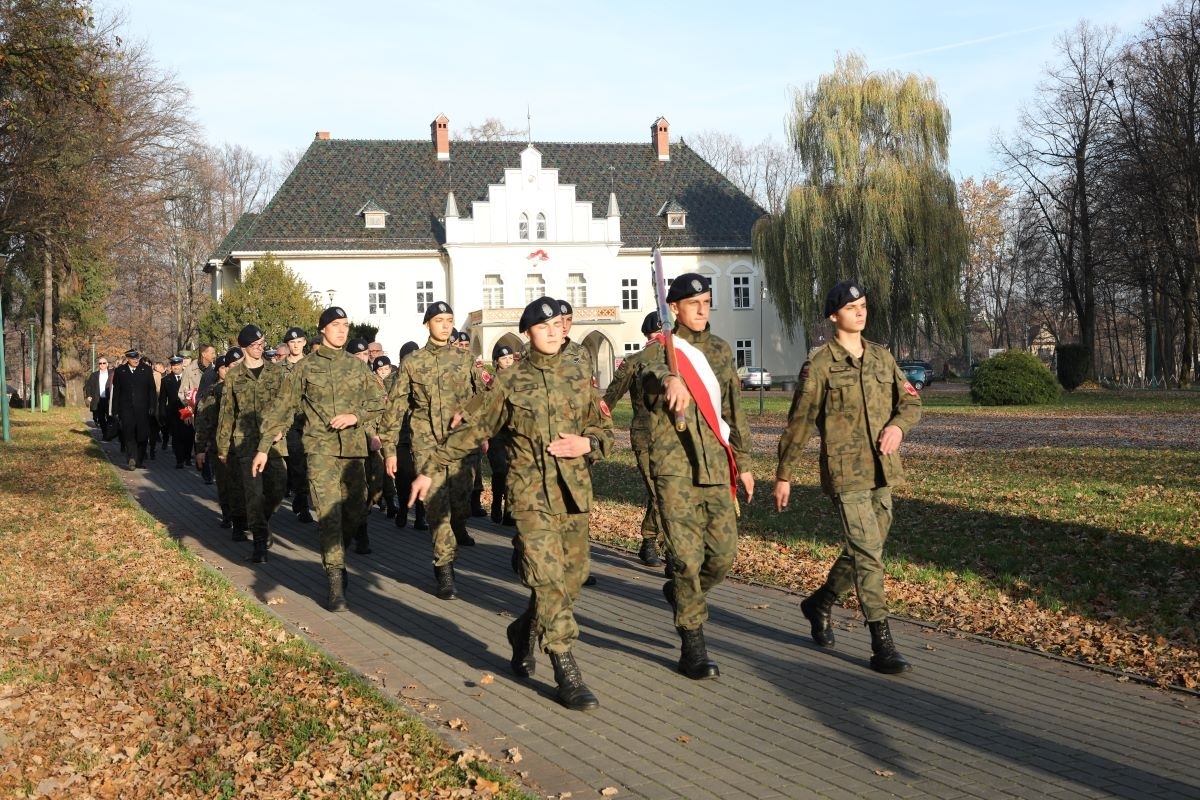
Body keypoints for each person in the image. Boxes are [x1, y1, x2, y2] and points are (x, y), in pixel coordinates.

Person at [404, 297, 613, 711]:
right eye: (544, 326)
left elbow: (602, 426)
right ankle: (565, 665)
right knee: (547, 576)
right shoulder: (510, 382)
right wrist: (430, 467)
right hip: (530, 495)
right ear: (528, 333)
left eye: (558, 325)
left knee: (571, 579)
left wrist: (588, 442)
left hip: (573, 493)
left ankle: (523, 631)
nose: (554, 331)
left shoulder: (578, 372)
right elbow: (475, 428)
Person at [773, 280, 922, 675]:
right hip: (846, 473)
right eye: (852, 306)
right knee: (870, 554)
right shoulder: (819, 365)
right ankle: (881, 642)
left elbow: (910, 401)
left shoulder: (881, 357)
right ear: (833, 316)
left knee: (865, 548)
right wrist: (784, 474)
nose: (861, 311)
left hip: (883, 470)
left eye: (863, 305)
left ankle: (820, 601)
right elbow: (799, 423)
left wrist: (899, 428)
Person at [643, 273, 754, 680]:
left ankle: (681, 596)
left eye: (707, 301)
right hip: (676, 472)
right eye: (694, 303)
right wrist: (670, 377)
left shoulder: (722, 351)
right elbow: (647, 374)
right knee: (686, 561)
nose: (703, 309)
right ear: (673, 308)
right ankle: (692, 645)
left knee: (722, 556)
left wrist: (744, 464)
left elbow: (734, 412)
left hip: (715, 468)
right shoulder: (662, 350)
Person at [252, 307, 385, 611]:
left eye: (346, 326)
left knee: (355, 511)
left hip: (353, 451)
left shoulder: (356, 367)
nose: (342, 330)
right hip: (320, 450)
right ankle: (335, 578)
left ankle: (338, 554)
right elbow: (282, 409)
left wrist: (355, 416)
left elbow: (378, 403)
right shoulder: (304, 369)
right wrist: (262, 447)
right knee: (329, 515)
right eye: (336, 325)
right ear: (323, 329)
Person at [378, 301, 484, 600]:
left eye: (450, 319)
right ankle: (444, 569)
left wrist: (469, 414)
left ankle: (457, 531)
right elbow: (395, 409)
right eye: (439, 320)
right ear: (428, 324)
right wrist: (389, 450)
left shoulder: (465, 360)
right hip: (426, 443)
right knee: (437, 506)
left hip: (461, 443)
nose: (446, 324)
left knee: (461, 503)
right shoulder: (413, 363)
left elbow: (483, 397)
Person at [218, 324, 289, 563]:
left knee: (278, 487)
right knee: (254, 495)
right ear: (243, 347)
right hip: (246, 444)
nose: (259, 348)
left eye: (261, 344)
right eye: (254, 345)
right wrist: (222, 448)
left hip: (274, 443)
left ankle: (263, 522)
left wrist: (282, 428)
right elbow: (227, 413)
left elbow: (287, 407)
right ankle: (259, 542)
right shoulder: (234, 377)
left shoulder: (276, 373)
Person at [601, 310, 665, 567]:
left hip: (660, 436)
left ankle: (658, 545)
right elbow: (608, 403)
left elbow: (607, 402)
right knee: (661, 491)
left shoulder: (677, 358)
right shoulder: (637, 361)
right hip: (649, 435)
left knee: (668, 491)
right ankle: (652, 542)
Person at [194, 355, 247, 533]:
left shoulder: (247, 387)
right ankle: (228, 514)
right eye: (225, 367)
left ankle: (242, 518)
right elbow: (203, 422)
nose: (229, 370)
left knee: (243, 484)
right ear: (218, 371)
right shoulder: (213, 391)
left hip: (244, 445)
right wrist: (200, 449)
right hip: (221, 446)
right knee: (225, 484)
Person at [389, 341, 426, 531]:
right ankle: (403, 508)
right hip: (401, 439)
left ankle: (420, 516)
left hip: (422, 438)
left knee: (422, 474)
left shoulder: (425, 380)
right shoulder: (391, 381)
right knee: (404, 477)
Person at [280, 326, 313, 523]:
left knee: (312, 464)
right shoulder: (279, 369)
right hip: (291, 424)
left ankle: (302, 499)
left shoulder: (313, 364)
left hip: (313, 422)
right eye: (292, 342)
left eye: (299, 341)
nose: (296, 345)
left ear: (304, 343)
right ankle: (303, 503)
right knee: (298, 464)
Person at [485, 343, 517, 526]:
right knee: (500, 471)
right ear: (497, 361)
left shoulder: (519, 379)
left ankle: (509, 511)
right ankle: (497, 501)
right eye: (504, 358)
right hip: (497, 433)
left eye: (510, 358)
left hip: (514, 433)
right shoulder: (493, 381)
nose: (508, 361)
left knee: (513, 471)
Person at [110, 350, 158, 470]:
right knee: (129, 434)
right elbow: (116, 392)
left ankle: (139, 460)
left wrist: (153, 406)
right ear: (127, 358)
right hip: (126, 409)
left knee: (142, 435)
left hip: (143, 409)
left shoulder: (146, 370)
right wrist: (115, 410)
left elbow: (152, 390)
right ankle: (132, 457)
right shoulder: (121, 371)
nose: (136, 360)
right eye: (132, 358)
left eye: (137, 358)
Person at [159, 356, 194, 468]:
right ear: (171, 366)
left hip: (186, 410)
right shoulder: (166, 380)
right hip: (173, 412)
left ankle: (187, 457)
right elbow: (163, 399)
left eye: (178, 365)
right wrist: (162, 413)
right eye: (174, 365)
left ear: (181, 365)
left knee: (188, 436)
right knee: (176, 437)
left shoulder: (188, 377)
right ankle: (179, 460)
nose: (176, 367)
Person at [83, 357, 114, 439]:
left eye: (104, 363)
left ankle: (108, 434)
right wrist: (89, 395)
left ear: (107, 364)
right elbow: (88, 386)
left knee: (110, 418)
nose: (102, 365)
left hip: (109, 400)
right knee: (101, 419)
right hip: (98, 400)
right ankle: (105, 434)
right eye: (100, 363)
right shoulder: (94, 375)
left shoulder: (112, 373)